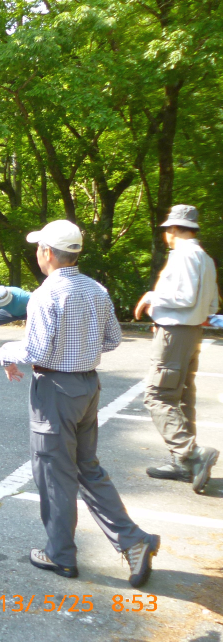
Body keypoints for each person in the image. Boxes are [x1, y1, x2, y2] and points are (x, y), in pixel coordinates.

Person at [0, 220, 159, 588]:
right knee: (87, 467)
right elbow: (113, 340)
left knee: (54, 474)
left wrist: (6, 353)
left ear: (48, 253)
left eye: (39, 248)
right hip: (88, 386)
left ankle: (61, 555)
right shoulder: (97, 289)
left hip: (55, 388)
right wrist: (80, 351)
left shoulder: (46, 294)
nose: (37, 253)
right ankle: (134, 541)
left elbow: (36, 350)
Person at [134, 205, 219, 493]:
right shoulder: (205, 258)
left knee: (157, 395)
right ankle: (185, 464)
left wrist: (152, 298)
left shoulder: (184, 255)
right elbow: (211, 306)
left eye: (167, 230)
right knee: (182, 395)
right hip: (193, 332)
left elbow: (182, 296)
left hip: (175, 333)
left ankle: (191, 454)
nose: (166, 236)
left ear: (173, 230)